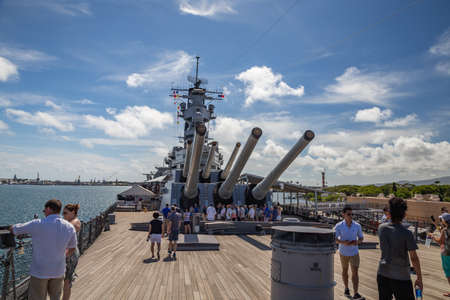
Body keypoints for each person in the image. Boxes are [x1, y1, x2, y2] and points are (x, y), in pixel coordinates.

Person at [9, 199, 77, 300]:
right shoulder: (69, 227)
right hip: (58, 270)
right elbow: (72, 247)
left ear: (48, 209)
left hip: (40, 271)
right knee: (56, 297)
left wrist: (11, 227)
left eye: (44, 210)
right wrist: (61, 256)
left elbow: (15, 230)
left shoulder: (38, 224)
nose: (44, 213)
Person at [377, 197, 423, 300]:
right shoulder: (407, 233)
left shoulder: (382, 228)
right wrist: (419, 278)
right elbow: (414, 258)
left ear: (389, 212)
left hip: (383, 273)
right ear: (404, 214)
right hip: (401, 276)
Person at [334, 206, 364, 299]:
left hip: (354, 252)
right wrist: (343, 242)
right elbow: (334, 239)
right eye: (348, 214)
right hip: (343, 252)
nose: (351, 216)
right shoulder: (339, 226)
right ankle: (346, 288)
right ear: (343, 214)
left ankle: (356, 293)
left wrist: (357, 242)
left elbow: (361, 238)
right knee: (345, 271)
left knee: (355, 273)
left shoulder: (357, 225)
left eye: (352, 214)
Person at [428, 213, 450, 297]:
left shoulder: (445, 230)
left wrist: (432, 236)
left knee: (448, 272)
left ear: (445, 221)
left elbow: (440, 241)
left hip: (447, 253)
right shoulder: (445, 230)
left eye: (442, 219)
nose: (441, 221)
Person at [62, 204, 81, 300]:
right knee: (64, 281)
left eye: (65, 213)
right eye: (62, 213)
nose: (63, 215)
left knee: (67, 282)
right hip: (66, 253)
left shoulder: (75, 222)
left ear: (73, 212)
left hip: (71, 254)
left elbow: (71, 227)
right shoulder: (68, 222)